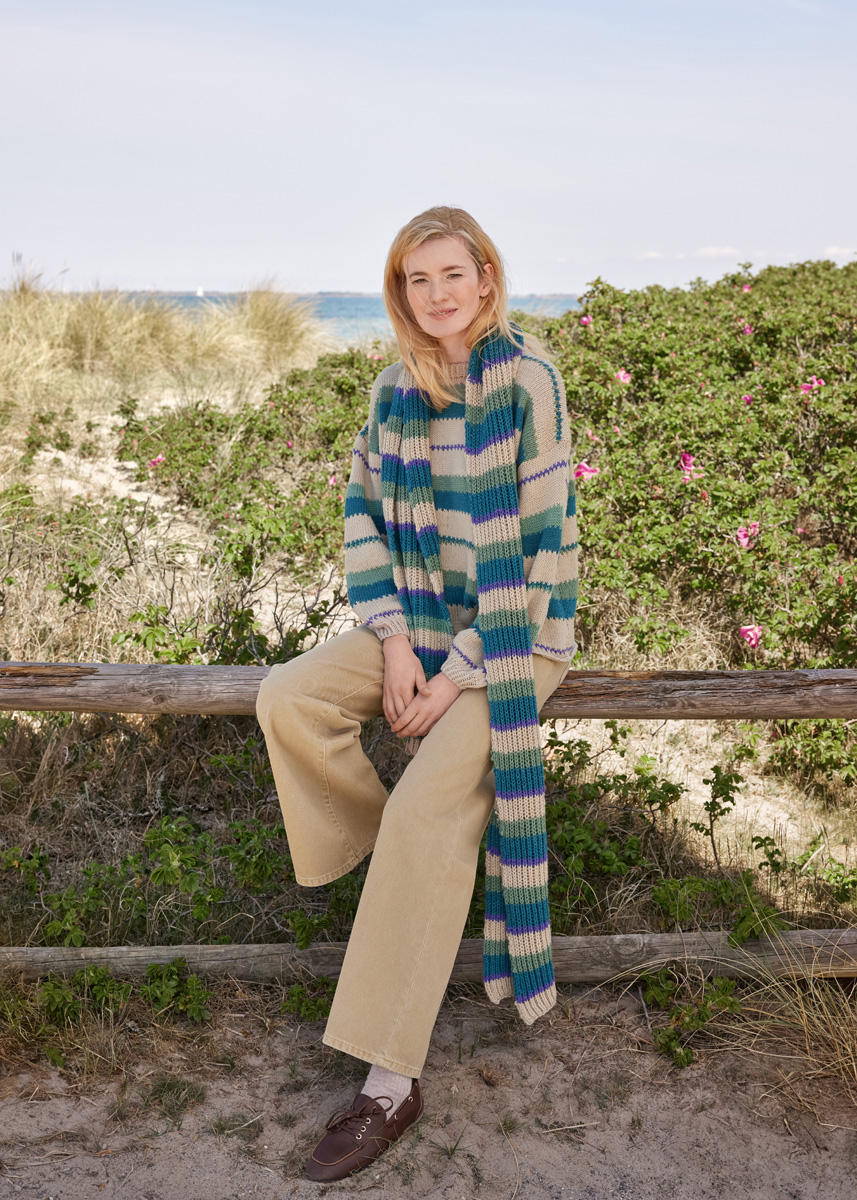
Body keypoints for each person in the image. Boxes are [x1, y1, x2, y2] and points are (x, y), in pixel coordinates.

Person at [256, 206, 579, 1182]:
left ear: (486, 278)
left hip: (512, 639)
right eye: (415, 278)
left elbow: (539, 550)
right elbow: (361, 512)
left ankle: (388, 1085)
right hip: (419, 626)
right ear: (400, 291)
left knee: (425, 816)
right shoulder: (393, 389)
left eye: (451, 274)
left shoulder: (530, 381)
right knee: (288, 699)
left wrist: (451, 679)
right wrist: (396, 643)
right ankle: (391, 867)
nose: (435, 294)